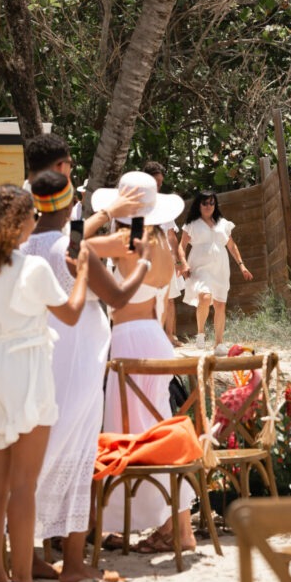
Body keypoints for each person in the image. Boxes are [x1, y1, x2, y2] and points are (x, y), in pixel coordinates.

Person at [0, 184, 89, 582]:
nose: (36, 221)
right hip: (26, 371)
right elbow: (70, 314)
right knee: (24, 486)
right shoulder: (31, 268)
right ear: (16, 223)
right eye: (31, 216)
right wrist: (83, 271)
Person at [22, 171, 151, 582]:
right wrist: (142, 263)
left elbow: (72, 238)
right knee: (76, 456)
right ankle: (74, 564)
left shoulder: (25, 245)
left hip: (42, 362)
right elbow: (115, 295)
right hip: (77, 365)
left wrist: (103, 223)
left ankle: (31, 556)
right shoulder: (70, 247)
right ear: (65, 204)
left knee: (36, 461)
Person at [90, 171, 193, 553]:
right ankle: (178, 527)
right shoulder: (163, 242)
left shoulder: (127, 241)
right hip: (156, 337)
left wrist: (105, 214)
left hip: (131, 341)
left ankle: (157, 525)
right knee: (159, 432)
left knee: (132, 435)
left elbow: (72, 245)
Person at [181, 191, 251, 353]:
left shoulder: (223, 223)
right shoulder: (192, 223)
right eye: (204, 203)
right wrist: (182, 263)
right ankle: (200, 333)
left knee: (220, 304)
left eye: (211, 203)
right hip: (199, 266)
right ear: (198, 205)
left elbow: (232, 246)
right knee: (204, 297)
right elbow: (181, 246)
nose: (208, 206)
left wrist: (242, 265)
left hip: (220, 267)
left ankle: (219, 343)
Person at [144, 161, 187, 346]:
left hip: (167, 258)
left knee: (170, 299)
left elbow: (171, 236)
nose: (159, 186)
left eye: (161, 182)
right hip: (146, 258)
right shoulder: (137, 205)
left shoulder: (165, 205)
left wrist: (179, 261)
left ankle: (170, 336)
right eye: (156, 182)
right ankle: (153, 338)